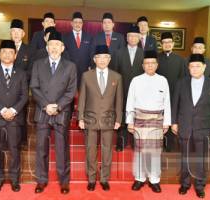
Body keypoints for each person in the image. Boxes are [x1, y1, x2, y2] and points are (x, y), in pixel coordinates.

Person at [30, 31, 77, 194]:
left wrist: (57, 106)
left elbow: (71, 91)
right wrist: (46, 105)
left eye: (57, 45)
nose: (54, 48)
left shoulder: (70, 66)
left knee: (61, 148)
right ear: (47, 47)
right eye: (51, 45)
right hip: (43, 110)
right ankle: (41, 180)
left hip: (61, 111)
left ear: (62, 48)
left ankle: (64, 181)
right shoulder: (38, 64)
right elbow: (34, 87)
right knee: (41, 148)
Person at [171, 54, 210, 198]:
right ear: (188, 68)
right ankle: (185, 183)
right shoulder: (181, 83)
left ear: (204, 67)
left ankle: (200, 185)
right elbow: (175, 104)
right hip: (184, 126)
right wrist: (174, 122)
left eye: (198, 66)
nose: (194, 69)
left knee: (201, 158)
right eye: (192, 66)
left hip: (203, 128)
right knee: (184, 157)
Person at [0, 40, 28, 193]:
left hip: (15, 117)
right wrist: (3, 110)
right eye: (4, 52)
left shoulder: (21, 73)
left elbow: (24, 96)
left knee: (14, 148)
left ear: (15, 55)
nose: (7, 54)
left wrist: (13, 111)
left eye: (11, 52)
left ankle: (15, 179)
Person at [78, 45, 123, 191]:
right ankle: (91, 179)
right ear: (94, 59)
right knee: (90, 150)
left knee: (107, 150)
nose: (102, 60)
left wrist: (118, 119)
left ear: (109, 59)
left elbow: (119, 100)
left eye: (105, 57)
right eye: (99, 57)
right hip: (90, 118)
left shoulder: (117, 77)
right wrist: (80, 117)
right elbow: (82, 98)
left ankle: (104, 178)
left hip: (109, 119)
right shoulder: (86, 75)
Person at [126, 50, 171, 193]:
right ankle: (139, 178)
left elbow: (167, 103)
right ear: (143, 65)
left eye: (152, 63)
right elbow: (130, 102)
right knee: (140, 151)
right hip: (139, 120)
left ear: (157, 65)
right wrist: (129, 121)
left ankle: (154, 180)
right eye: (147, 63)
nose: (150, 66)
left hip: (157, 121)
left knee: (155, 152)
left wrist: (167, 122)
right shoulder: (136, 80)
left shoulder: (163, 80)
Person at [112, 24, 144, 151]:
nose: (132, 38)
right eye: (130, 36)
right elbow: (114, 73)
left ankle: (136, 143)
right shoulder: (118, 53)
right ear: (126, 38)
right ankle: (122, 142)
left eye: (135, 36)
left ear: (139, 38)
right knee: (123, 116)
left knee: (138, 117)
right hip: (122, 90)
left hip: (139, 92)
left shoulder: (144, 53)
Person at [157, 32, 186, 152]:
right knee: (159, 120)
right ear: (161, 44)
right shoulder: (156, 59)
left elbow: (183, 78)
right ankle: (159, 145)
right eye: (164, 43)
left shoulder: (180, 60)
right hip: (158, 96)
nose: (167, 44)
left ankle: (170, 147)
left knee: (171, 120)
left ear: (173, 44)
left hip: (174, 95)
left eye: (169, 42)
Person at [10, 18, 36, 148]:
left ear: (23, 34)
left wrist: (16, 79)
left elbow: (31, 70)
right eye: (13, 31)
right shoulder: (5, 47)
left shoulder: (29, 50)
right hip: (5, 87)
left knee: (21, 114)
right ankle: (8, 140)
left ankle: (23, 141)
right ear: (10, 33)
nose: (15, 34)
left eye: (18, 31)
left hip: (22, 87)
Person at [63, 12, 93, 88]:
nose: (78, 24)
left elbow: (91, 52)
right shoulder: (65, 37)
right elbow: (63, 53)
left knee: (84, 91)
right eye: (75, 22)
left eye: (80, 22)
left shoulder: (89, 37)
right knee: (70, 91)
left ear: (82, 24)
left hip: (85, 69)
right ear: (71, 23)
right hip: (70, 70)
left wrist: (90, 65)